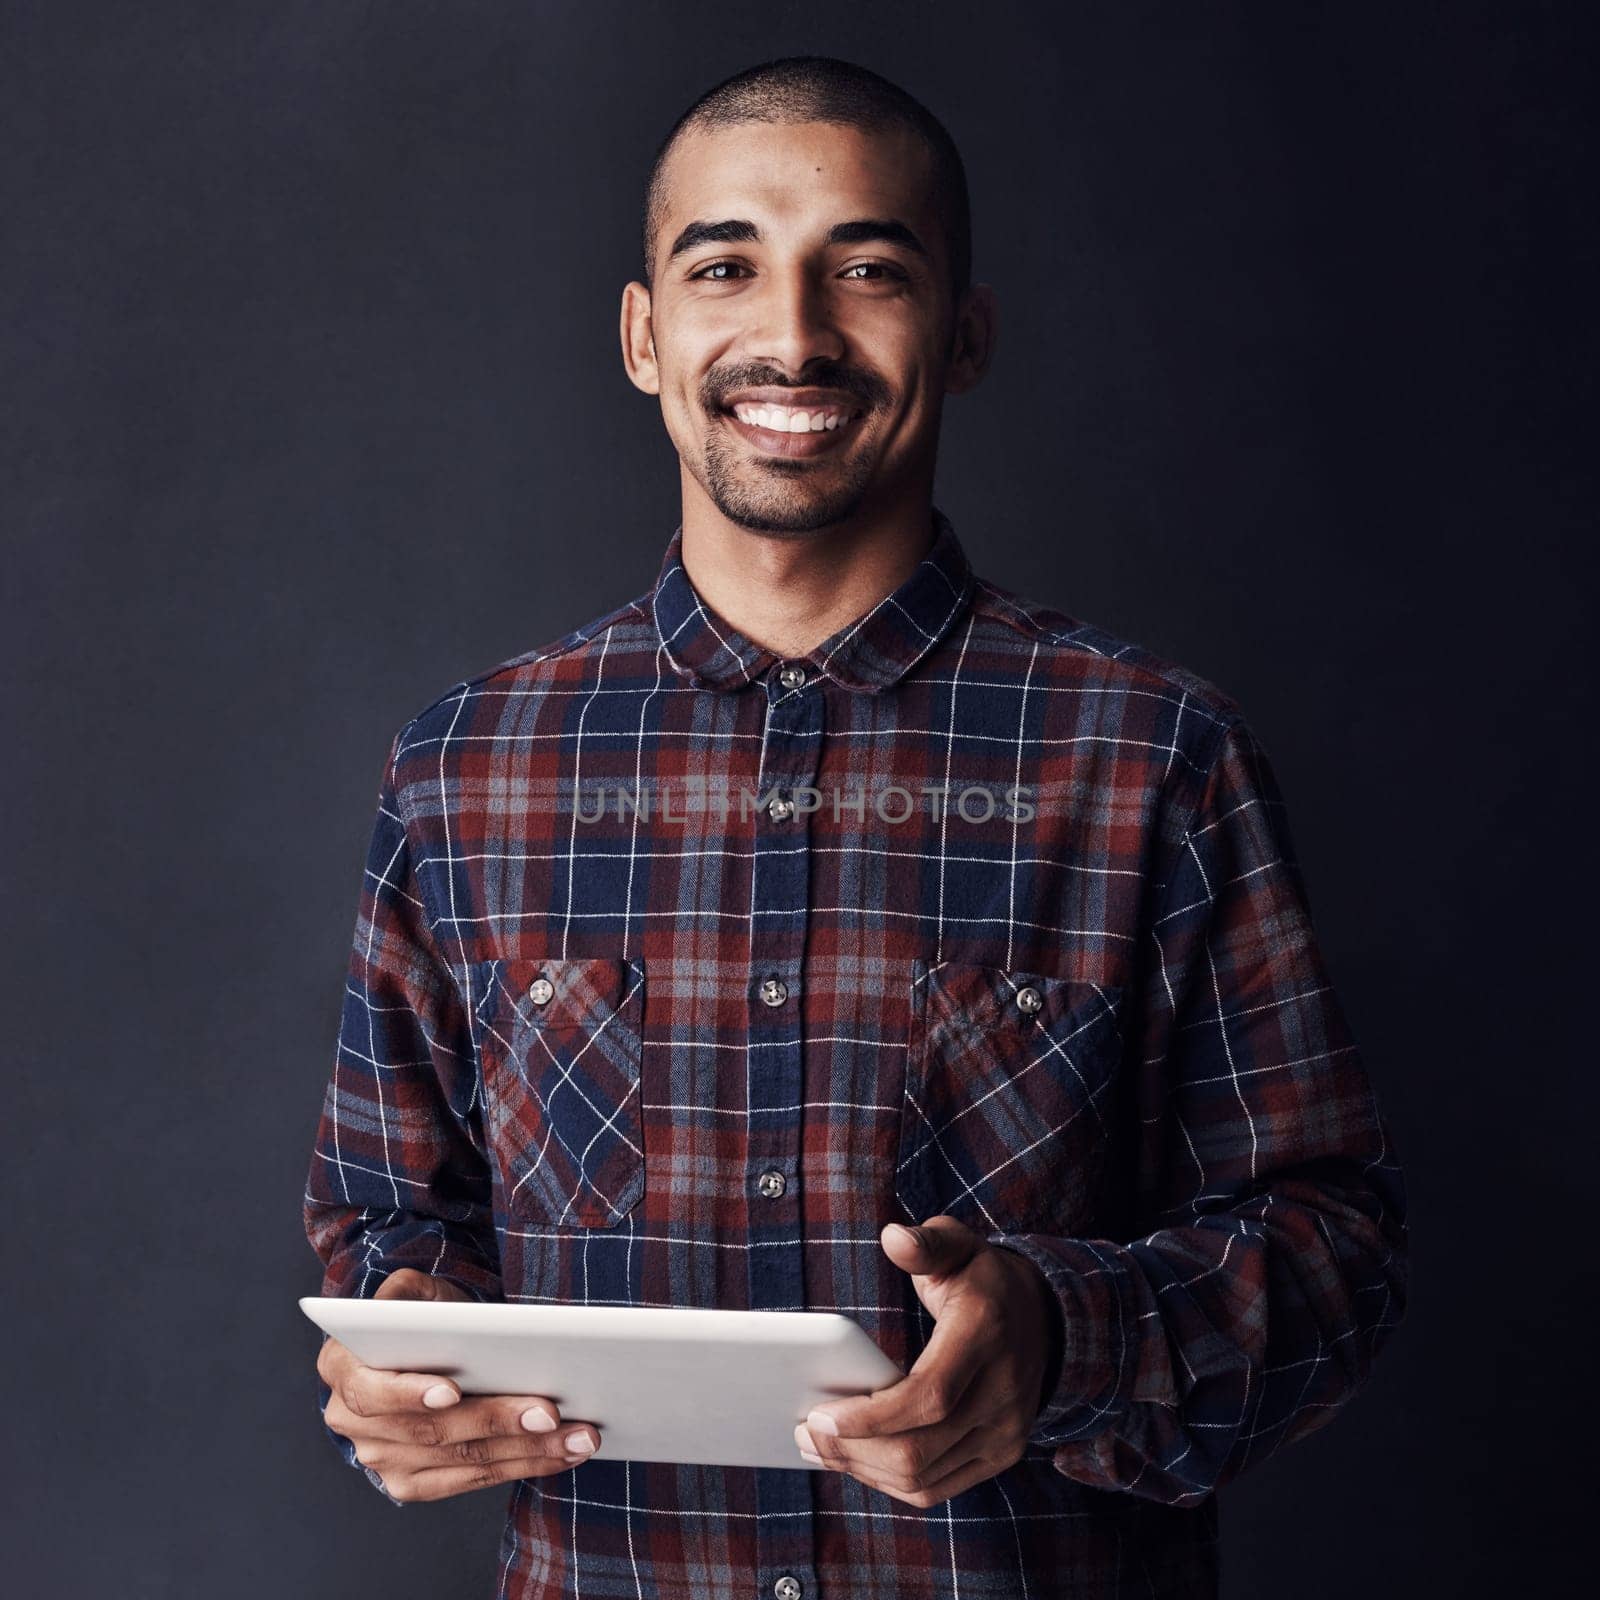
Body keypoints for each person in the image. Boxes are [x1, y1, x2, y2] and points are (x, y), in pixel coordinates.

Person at [304, 53, 1409, 1600]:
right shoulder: (466, 768)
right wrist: (395, 1380)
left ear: (964, 334)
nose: (794, 336)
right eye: (726, 266)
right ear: (644, 335)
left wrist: (1061, 1336)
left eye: (869, 268)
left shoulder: (1154, 754)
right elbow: (385, 1226)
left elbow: (1333, 1250)